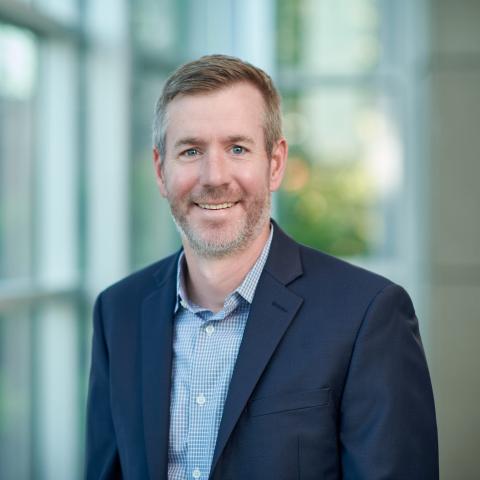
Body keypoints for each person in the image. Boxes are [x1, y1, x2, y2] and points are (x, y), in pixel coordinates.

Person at [85, 54, 438, 480]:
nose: (214, 177)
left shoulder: (368, 315)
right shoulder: (118, 312)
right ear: (161, 170)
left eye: (237, 148)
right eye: (191, 150)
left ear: (274, 163)